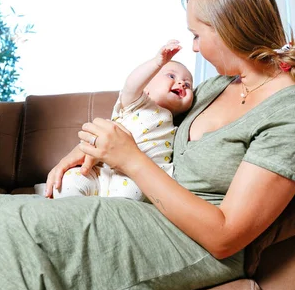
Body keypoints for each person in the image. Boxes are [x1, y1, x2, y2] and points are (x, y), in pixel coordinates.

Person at [0, 0, 295, 290]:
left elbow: (225, 236)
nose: (194, 49)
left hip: (194, 243)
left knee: (22, 223)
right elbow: (142, 119)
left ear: (228, 29)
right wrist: (83, 151)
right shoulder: (217, 88)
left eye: (197, 35)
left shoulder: (291, 114)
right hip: (146, 212)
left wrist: (131, 160)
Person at [45, 40, 193, 200]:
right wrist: (157, 62)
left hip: (134, 176)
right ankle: (72, 208)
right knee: (70, 181)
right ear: (146, 87)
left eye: (188, 84)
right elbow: (131, 84)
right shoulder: (138, 103)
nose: (182, 83)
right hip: (100, 170)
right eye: (171, 75)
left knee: (133, 193)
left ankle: (107, 216)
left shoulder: (178, 124)